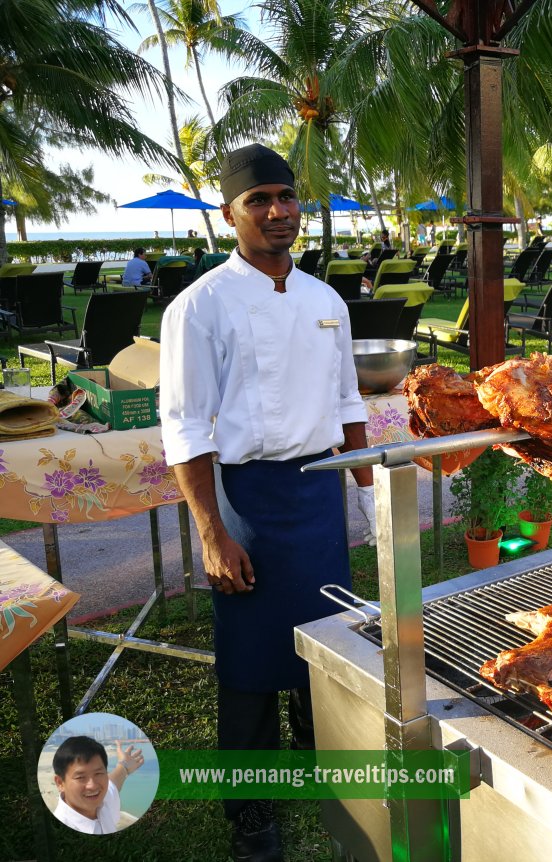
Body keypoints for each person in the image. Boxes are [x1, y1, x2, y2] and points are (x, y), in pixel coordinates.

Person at [159, 143, 376, 862]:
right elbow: (186, 426)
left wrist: (367, 495)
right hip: (247, 494)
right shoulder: (200, 306)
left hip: (317, 493)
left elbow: (348, 400)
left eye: (286, 196)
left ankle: (327, 762)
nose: (278, 211)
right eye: (260, 201)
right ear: (230, 214)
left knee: (333, 643)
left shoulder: (325, 299)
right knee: (249, 664)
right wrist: (213, 535)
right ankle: (251, 811)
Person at [52, 735, 145, 835]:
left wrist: (124, 765)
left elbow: (113, 783)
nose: (92, 786)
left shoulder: (104, 801)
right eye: (80, 777)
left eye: (98, 773)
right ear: (60, 783)